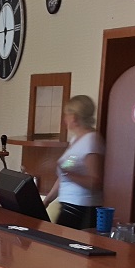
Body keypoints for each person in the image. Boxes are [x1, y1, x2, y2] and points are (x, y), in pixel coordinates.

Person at [44, 94, 104, 230]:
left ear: (74, 117)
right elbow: (65, 173)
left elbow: (95, 182)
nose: (64, 119)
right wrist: (47, 200)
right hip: (69, 205)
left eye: (66, 115)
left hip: (82, 209)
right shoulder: (76, 140)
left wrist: (67, 173)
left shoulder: (91, 141)